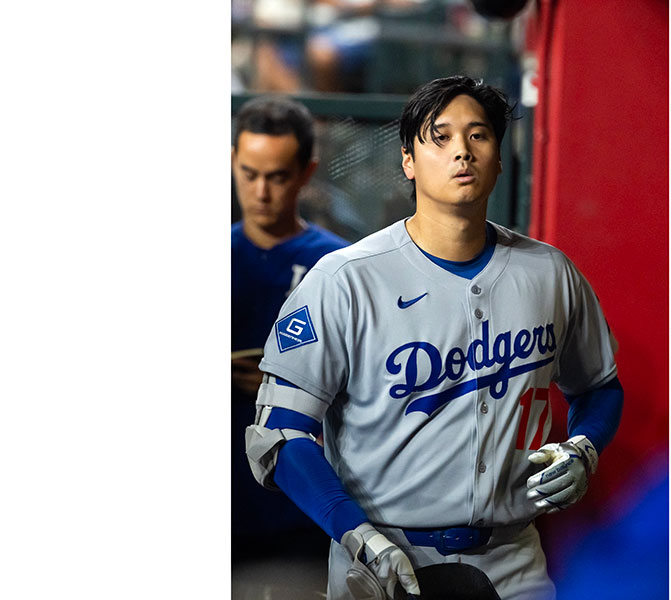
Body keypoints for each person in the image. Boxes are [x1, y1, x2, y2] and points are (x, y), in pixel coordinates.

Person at [245, 76, 624, 599]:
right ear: (408, 161)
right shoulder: (345, 279)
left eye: (478, 135)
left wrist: (584, 447)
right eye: (440, 137)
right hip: (382, 559)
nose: (461, 151)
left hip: (513, 557)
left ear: (499, 157)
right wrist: (354, 533)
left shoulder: (550, 273)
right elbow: (279, 433)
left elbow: (599, 385)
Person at [232, 95, 349, 545]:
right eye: (249, 174)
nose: (261, 192)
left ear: (306, 172)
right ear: (232, 161)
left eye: (277, 177)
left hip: (304, 512)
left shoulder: (339, 269)